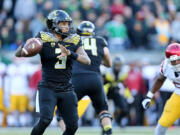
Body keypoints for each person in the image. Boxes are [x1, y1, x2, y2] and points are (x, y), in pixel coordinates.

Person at [15, 10, 91, 135]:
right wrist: (26, 46)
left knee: (73, 126)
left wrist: (70, 53)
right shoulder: (43, 37)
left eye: (67, 24)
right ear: (53, 25)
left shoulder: (74, 39)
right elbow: (18, 53)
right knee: (45, 120)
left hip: (66, 88)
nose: (66, 26)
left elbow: (87, 60)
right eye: (62, 24)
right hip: (48, 87)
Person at [57, 21, 113, 135]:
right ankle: (108, 130)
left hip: (76, 80)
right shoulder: (100, 40)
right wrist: (98, 61)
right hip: (95, 79)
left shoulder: (71, 41)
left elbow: (62, 62)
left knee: (61, 112)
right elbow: (109, 62)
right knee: (103, 110)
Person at [142, 43, 180, 135]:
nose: (175, 63)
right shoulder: (166, 66)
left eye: (177, 60)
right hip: (178, 94)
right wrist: (149, 96)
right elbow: (159, 79)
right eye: (172, 60)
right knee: (162, 124)